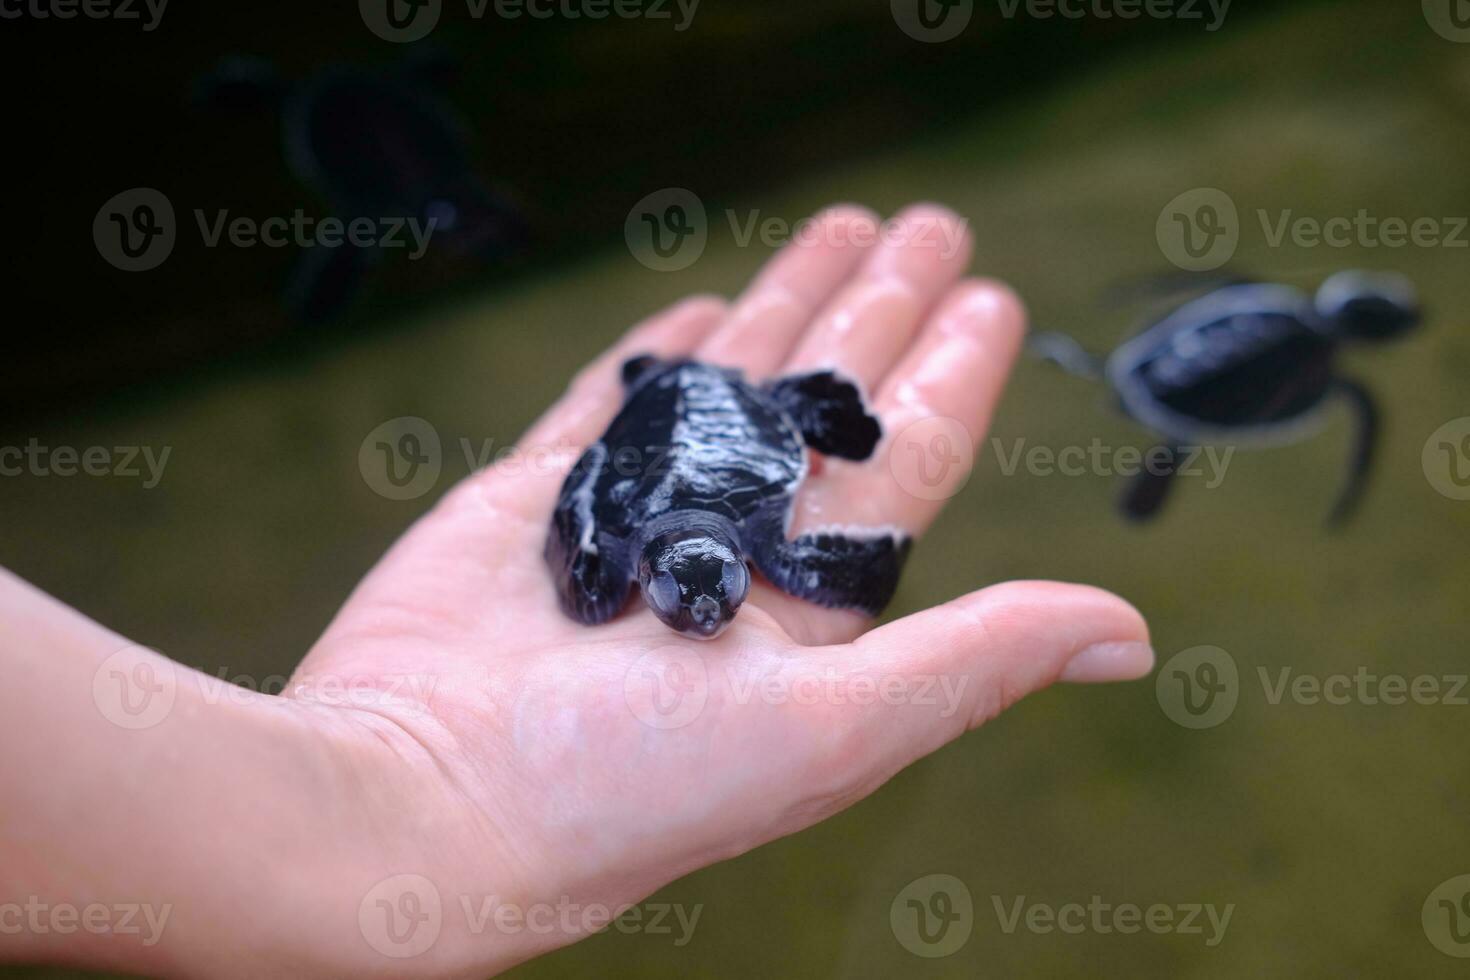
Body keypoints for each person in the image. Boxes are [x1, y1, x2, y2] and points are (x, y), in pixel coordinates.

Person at [0, 204, 1152, 977]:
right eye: (683, 596)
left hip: (710, 427)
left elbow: (606, 491)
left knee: (804, 443)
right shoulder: (625, 557)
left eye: (702, 598)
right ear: (661, 569)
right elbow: (598, 502)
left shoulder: (705, 535)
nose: (696, 616)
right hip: (678, 427)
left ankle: (737, 390)